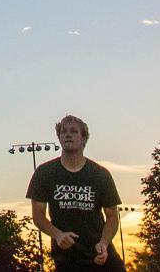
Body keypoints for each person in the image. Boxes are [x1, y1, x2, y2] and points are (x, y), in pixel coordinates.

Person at [25, 115, 122, 272]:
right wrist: (57, 235)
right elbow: (38, 215)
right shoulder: (45, 173)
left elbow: (112, 216)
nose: (67, 134)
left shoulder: (100, 174)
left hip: (99, 256)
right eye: (63, 131)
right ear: (59, 138)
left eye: (73, 131)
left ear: (83, 138)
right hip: (67, 258)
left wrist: (104, 242)